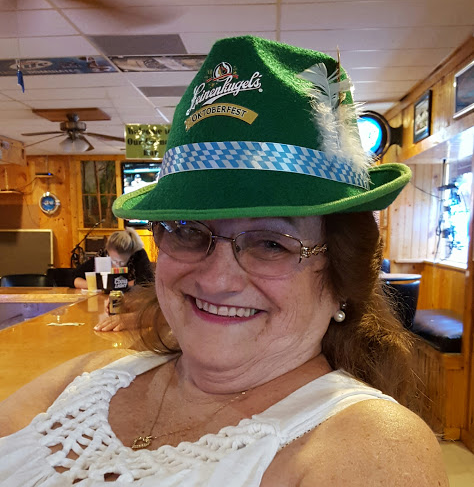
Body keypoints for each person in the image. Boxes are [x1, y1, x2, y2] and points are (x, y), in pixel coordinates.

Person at [0, 36, 448, 486]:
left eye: (271, 244)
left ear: (341, 278)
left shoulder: (368, 446)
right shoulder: (87, 377)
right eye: (187, 230)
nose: (216, 279)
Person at [73, 227, 154, 289]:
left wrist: (116, 285)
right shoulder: (103, 254)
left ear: (131, 253)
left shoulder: (138, 254)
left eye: (121, 262)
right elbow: (74, 276)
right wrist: (96, 285)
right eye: (113, 260)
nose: (117, 265)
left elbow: (146, 281)